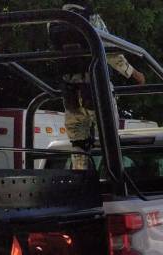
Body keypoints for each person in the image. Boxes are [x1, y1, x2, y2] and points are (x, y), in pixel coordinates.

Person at [49, 2, 145, 169]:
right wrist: (133, 73)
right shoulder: (89, 17)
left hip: (71, 91)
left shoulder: (53, 21)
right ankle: (114, 177)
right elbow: (109, 50)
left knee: (78, 143)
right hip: (96, 89)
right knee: (109, 138)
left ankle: (80, 179)